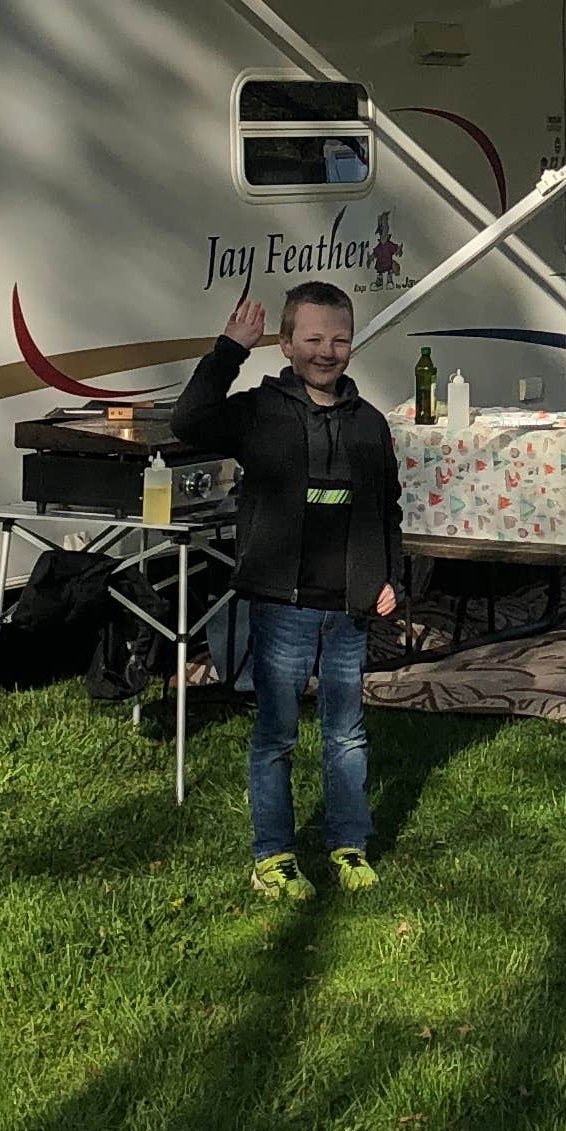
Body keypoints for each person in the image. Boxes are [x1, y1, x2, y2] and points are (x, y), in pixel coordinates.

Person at [174, 279, 404, 901]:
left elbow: (388, 510)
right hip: (283, 604)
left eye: (339, 340)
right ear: (285, 343)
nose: (326, 352)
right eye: (312, 339)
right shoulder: (258, 412)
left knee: (347, 733)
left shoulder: (370, 425)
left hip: (349, 605)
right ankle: (273, 855)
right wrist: (228, 349)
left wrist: (390, 576)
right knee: (276, 734)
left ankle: (348, 844)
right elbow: (188, 419)